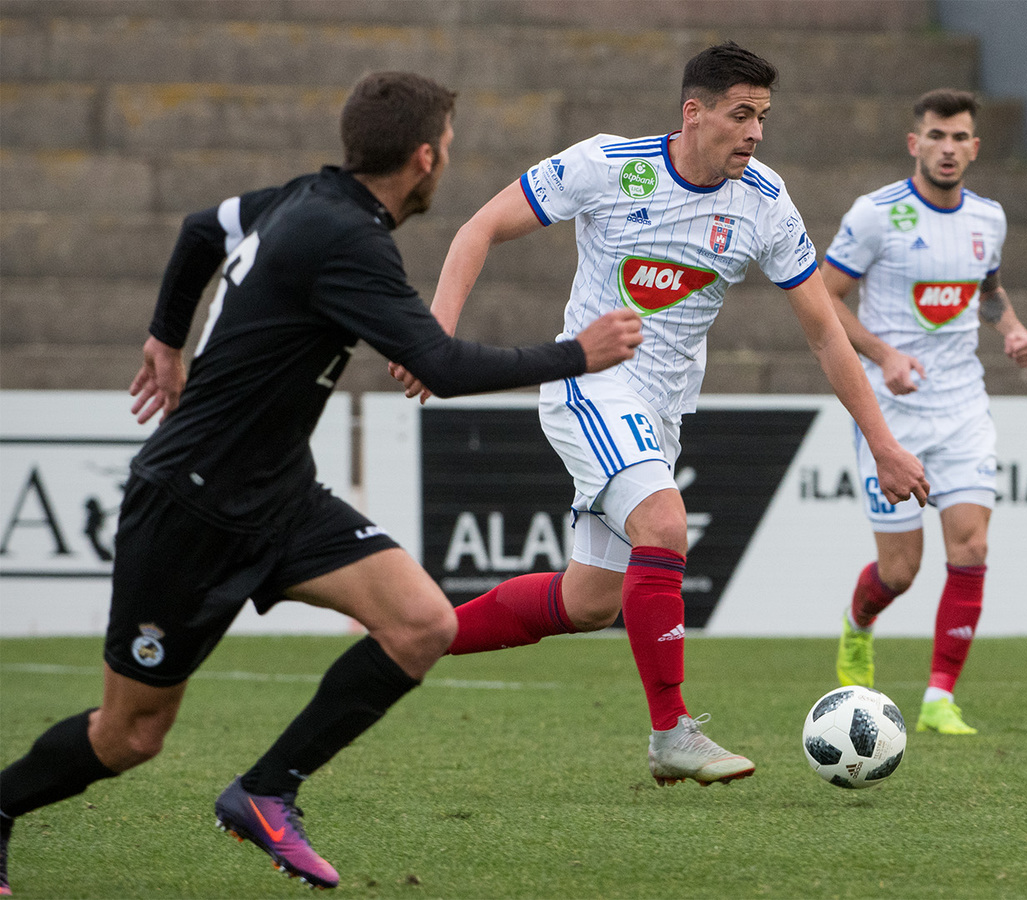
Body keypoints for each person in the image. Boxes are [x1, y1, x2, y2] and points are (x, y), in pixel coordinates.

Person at [0, 71, 643, 893]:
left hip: (279, 497)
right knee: (129, 737)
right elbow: (441, 366)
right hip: (189, 508)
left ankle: (266, 791)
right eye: (447, 147)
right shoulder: (345, 238)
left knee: (421, 624)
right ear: (423, 158)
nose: (447, 161)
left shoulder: (304, 199)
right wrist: (577, 353)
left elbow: (202, 229)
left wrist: (167, 337)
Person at [391, 41, 930, 786]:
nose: (755, 132)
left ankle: (413, 634)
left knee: (587, 602)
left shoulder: (764, 202)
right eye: (741, 115)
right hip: (588, 384)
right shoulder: (609, 166)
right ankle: (672, 732)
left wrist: (883, 442)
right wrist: (436, 339)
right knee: (665, 524)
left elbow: (824, 334)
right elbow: (477, 228)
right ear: (694, 112)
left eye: (763, 117)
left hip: (661, 413)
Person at [821, 89, 1027, 735]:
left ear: (975, 147)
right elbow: (823, 299)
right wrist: (883, 354)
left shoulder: (989, 219)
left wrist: (1011, 328)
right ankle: (858, 623)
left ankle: (940, 698)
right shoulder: (876, 214)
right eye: (936, 136)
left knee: (971, 546)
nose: (948, 148)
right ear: (915, 144)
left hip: (963, 404)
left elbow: (988, 291)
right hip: (893, 412)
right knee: (901, 570)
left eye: (960, 137)